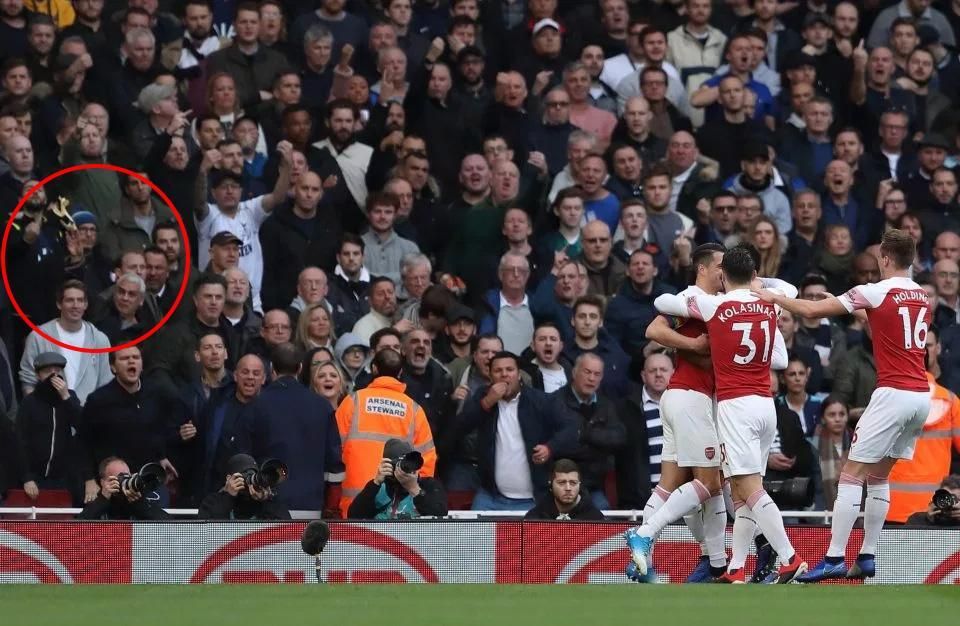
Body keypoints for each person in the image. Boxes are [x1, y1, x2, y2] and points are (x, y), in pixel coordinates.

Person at [755, 229, 932, 582]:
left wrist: (769, 296)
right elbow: (889, 324)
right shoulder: (922, 296)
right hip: (920, 396)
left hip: (892, 393)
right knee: (879, 476)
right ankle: (868, 555)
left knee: (851, 475)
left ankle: (835, 556)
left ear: (884, 259)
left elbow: (808, 309)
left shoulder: (874, 291)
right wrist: (849, 304)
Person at [635, 245, 804, 584]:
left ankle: (788, 556)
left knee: (735, 486)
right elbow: (790, 297)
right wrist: (761, 287)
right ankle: (735, 566)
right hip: (762, 403)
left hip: (730, 404)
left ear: (725, 275)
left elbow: (661, 303)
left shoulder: (714, 306)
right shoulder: (771, 301)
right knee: (728, 486)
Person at [634, 243, 727, 583]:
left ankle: (641, 557)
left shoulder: (716, 304)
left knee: (669, 485)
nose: (725, 273)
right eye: (720, 266)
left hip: (681, 397)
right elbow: (654, 330)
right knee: (710, 483)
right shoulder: (689, 301)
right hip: (690, 397)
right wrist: (693, 345)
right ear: (703, 268)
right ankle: (649, 539)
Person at [450, 351, 578, 511]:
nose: (504, 375)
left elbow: (572, 428)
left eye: (510, 370)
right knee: (475, 535)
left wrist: (549, 448)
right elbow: (458, 428)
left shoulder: (540, 401)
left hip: (534, 499)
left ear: (519, 375)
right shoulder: (484, 397)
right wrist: (487, 402)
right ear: (490, 377)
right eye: (498, 371)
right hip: (491, 496)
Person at [335, 348, 437, 516]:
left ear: (374, 368)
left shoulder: (353, 401)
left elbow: (334, 452)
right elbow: (426, 462)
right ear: (401, 372)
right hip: (396, 508)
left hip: (354, 506)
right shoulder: (414, 410)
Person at [250, 343, 344, 512]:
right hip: (311, 503)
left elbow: (246, 455)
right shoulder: (322, 406)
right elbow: (334, 461)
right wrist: (330, 505)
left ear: (272, 369)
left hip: (268, 504)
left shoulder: (257, 405)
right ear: (300, 368)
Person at [15, 351, 96, 506]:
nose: (54, 375)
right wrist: (26, 477)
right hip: (35, 478)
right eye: (48, 371)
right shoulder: (30, 403)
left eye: (58, 371)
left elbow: (83, 427)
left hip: (64, 478)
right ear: (39, 375)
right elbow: (20, 441)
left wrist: (66, 397)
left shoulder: (69, 397)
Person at [19, 280, 112, 405]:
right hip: (51, 415)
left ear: (86, 305)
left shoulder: (100, 339)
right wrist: (38, 413)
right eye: (70, 300)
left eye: (80, 300)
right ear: (59, 304)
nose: (75, 305)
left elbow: (105, 382)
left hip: (88, 416)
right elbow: (28, 380)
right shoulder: (38, 337)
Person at [347, 438, 448, 519]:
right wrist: (375, 482)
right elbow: (354, 516)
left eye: (407, 463)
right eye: (399, 464)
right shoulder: (379, 488)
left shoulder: (428, 485)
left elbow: (440, 514)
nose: (404, 468)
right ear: (388, 465)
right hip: (383, 540)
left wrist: (413, 488)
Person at [197, 453, 292, 520]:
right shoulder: (212, 502)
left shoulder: (265, 501)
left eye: (253, 475)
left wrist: (266, 501)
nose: (249, 482)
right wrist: (228, 497)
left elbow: (287, 530)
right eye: (244, 475)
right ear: (229, 478)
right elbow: (208, 533)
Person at [77, 456, 170, 520]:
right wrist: (103, 499)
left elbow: (170, 526)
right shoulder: (99, 502)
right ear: (103, 482)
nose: (125, 481)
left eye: (127, 476)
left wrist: (140, 504)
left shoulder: (138, 500)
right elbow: (76, 528)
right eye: (120, 477)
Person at [524, 458, 605, 520]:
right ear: (551, 484)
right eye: (561, 482)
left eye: (573, 483)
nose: (568, 488)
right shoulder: (535, 517)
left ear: (580, 484)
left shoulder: (595, 518)